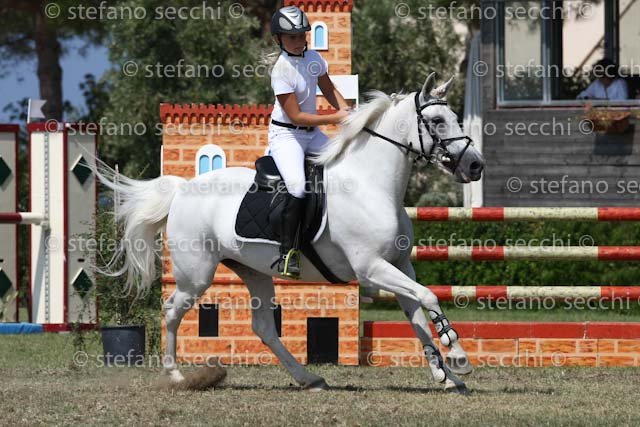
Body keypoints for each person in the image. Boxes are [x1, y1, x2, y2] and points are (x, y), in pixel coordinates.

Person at [268, 5, 350, 279]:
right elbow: (295, 116)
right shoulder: (281, 70)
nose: (298, 41)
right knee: (298, 187)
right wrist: (335, 118)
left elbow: (328, 88)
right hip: (287, 136)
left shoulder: (314, 58)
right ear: (279, 38)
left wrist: (348, 111)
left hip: (311, 134)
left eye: (302, 35)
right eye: (292, 37)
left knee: (344, 164)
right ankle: (287, 253)